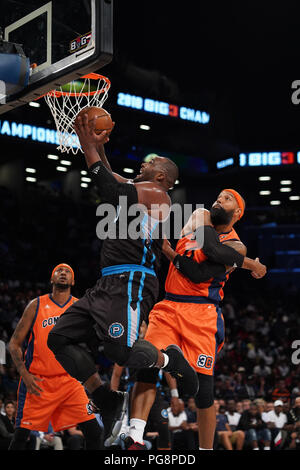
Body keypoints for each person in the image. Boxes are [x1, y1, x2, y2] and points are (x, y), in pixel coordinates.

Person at [47, 114, 200, 446]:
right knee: (58, 338)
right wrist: (98, 148)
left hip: (132, 281)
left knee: (121, 351)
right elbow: (113, 180)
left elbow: (110, 189)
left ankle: (170, 359)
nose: (143, 164)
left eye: (150, 163)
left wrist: (88, 143)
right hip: (106, 282)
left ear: (160, 176)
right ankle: (104, 396)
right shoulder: (139, 189)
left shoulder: (157, 194)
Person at [123, 189, 267, 449]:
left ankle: (205, 448)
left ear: (238, 212)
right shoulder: (199, 216)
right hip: (169, 304)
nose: (218, 199)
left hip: (202, 312)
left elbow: (200, 273)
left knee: (204, 391)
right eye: (218, 195)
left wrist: (170, 253)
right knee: (145, 363)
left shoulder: (236, 245)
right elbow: (204, 249)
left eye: (227, 198)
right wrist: (251, 266)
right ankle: (135, 435)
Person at [8, 263, 102, 450]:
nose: (63, 273)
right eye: (59, 271)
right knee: (21, 436)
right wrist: (24, 375)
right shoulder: (36, 305)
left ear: (73, 281)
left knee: (94, 432)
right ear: (52, 279)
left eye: (67, 272)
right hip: (38, 382)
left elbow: (93, 340)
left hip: (69, 382)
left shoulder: (79, 306)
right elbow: (13, 344)